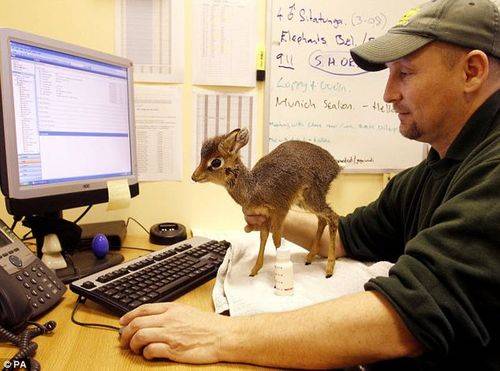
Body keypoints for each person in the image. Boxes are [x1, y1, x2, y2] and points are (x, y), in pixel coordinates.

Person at [118, 0, 500, 369]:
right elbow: (349, 234)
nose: (388, 94)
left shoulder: (493, 172)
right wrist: (266, 215)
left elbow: (407, 318)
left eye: (406, 73)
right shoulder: (437, 168)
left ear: (472, 71)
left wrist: (219, 336)